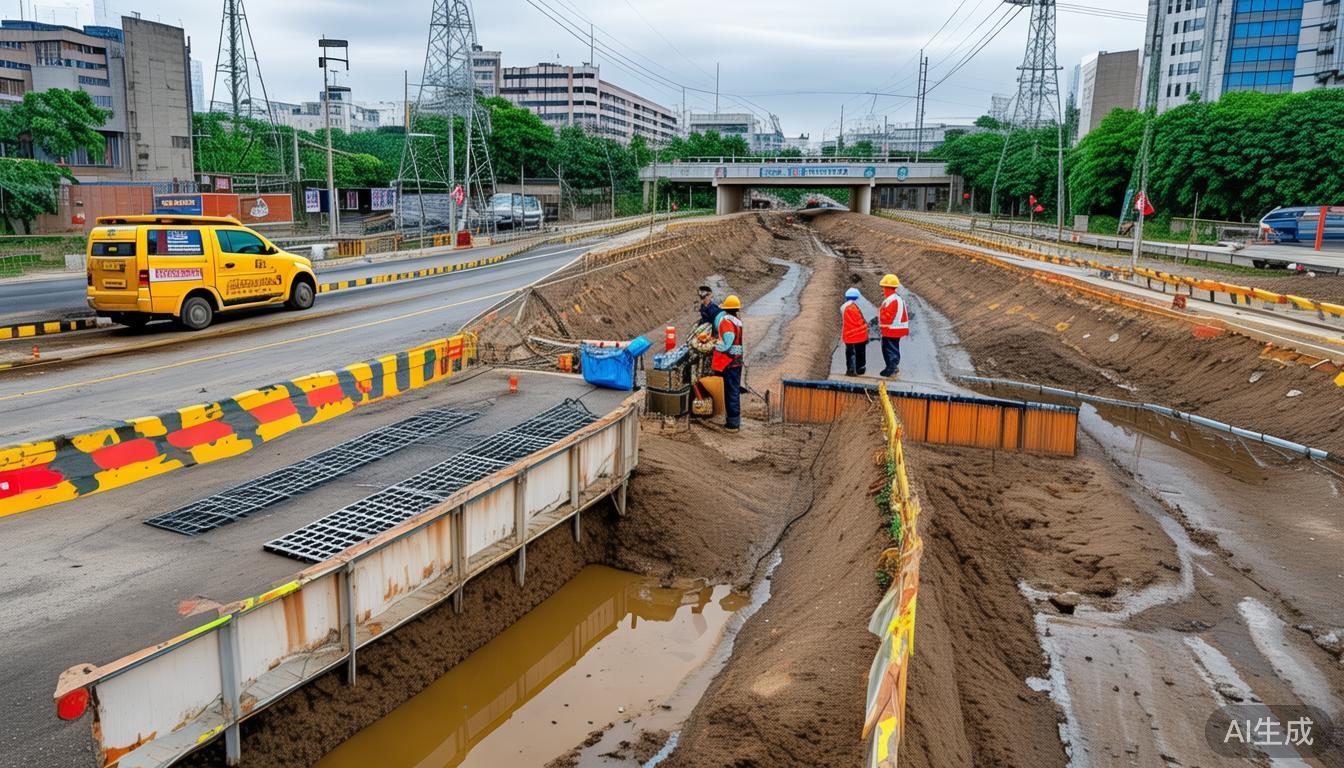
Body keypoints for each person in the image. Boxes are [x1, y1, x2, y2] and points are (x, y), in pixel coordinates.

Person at [712, 295, 744, 432]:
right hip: (737, 361)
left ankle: (732, 424)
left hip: (729, 362)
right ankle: (733, 419)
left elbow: (727, 342)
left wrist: (714, 345)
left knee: (731, 391)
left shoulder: (726, 322)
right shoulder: (737, 321)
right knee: (734, 391)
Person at [878, 274, 910, 378]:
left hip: (892, 329)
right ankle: (892, 367)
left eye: (884, 287)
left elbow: (888, 316)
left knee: (889, 348)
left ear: (887, 288)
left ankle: (891, 368)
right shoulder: (897, 298)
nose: (883, 290)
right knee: (893, 347)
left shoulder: (891, 300)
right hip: (896, 328)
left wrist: (882, 317)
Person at [841, 287, 869, 376]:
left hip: (849, 335)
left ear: (846, 297)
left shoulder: (844, 307)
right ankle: (861, 368)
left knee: (851, 352)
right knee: (861, 351)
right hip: (861, 334)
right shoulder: (859, 307)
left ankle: (851, 369)